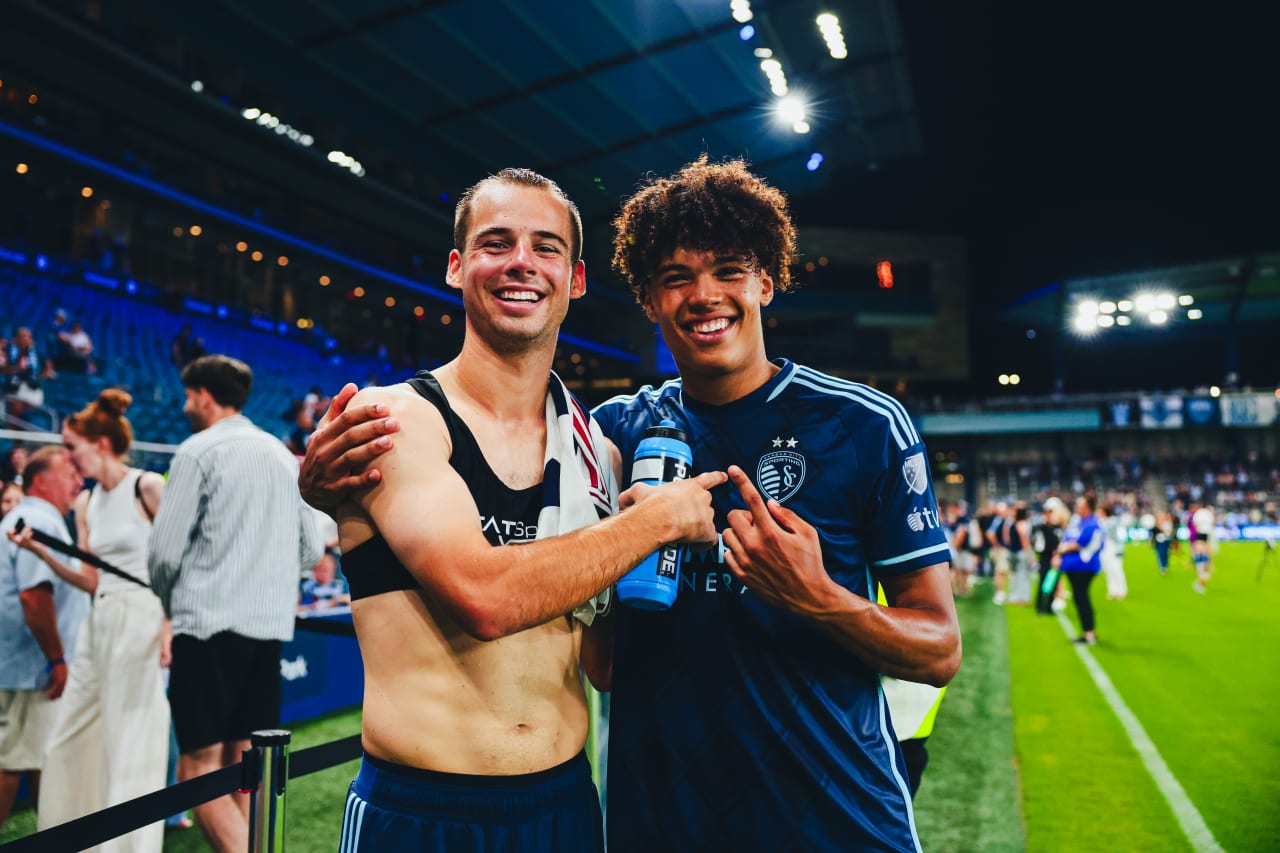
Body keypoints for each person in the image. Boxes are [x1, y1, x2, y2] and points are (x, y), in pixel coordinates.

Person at [301, 158, 960, 852]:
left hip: (834, 824)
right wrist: (328, 490)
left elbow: (939, 648)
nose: (704, 296)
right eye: (676, 277)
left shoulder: (862, 425)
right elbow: (604, 660)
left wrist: (819, 595)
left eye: (729, 270)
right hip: (656, 826)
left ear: (767, 280)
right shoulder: (611, 438)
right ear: (647, 300)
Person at [305, 168, 723, 852]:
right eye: (496, 242)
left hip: (562, 805)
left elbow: (604, 665)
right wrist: (657, 520)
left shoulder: (596, 455)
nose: (521, 262)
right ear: (456, 265)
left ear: (576, 278)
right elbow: (485, 598)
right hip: (422, 812)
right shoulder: (396, 420)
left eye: (546, 246)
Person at [147, 355, 323, 853]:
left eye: (187, 395)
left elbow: (162, 553)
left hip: (206, 625)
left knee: (196, 772)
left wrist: (171, 603)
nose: (184, 405)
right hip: (267, 629)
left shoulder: (197, 452)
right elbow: (311, 549)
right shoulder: (279, 454)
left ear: (204, 394)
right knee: (247, 764)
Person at [7, 390, 169, 852]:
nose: (68, 458)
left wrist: (168, 625)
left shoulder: (148, 486)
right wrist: (41, 551)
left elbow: (179, 564)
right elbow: (92, 581)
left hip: (142, 617)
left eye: (71, 447)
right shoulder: (85, 505)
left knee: (128, 740)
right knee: (66, 739)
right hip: (99, 623)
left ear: (99, 442)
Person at [0, 447, 90, 832]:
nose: (78, 481)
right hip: (32, 668)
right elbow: (34, 597)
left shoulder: (25, 517)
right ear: (40, 479)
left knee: (35, 759)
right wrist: (57, 660)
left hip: (24, 664)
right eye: (68, 473)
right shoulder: (39, 521)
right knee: (14, 760)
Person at [1057, 494, 1103, 644]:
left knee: (1082, 598)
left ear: (1087, 507)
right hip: (1074, 566)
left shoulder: (1091, 524)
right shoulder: (1078, 522)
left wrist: (1063, 549)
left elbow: (1078, 543)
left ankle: (1089, 633)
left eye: (1079, 505)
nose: (1076, 507)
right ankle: (1087, 631)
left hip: (1083, 566)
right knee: (1079, 598)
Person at [1190, 503, 1215, 593]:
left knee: (1204, 574)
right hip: (1202, 560)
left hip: (1201, 559)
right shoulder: (1202, 542)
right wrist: (1211, 561)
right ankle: (1199, 585)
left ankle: (1199, 585)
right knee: (1204, 574)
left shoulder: (1198, 541)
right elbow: (1205, 551)